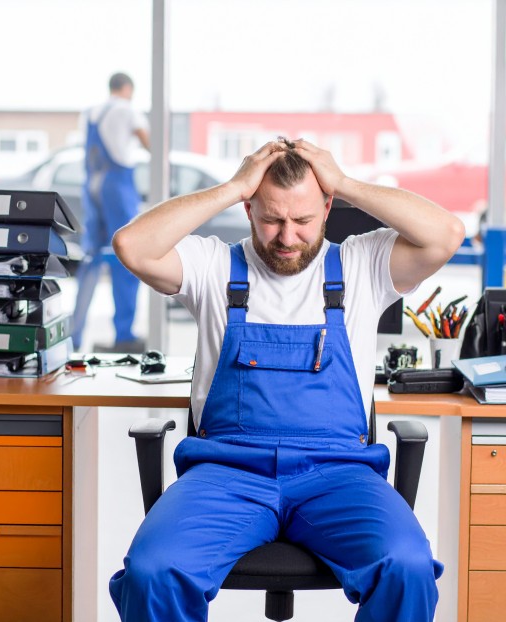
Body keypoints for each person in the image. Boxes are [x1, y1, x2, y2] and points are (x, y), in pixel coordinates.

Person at [109, 138, 465, 621]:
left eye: (303, 221)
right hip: (227, 473)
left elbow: (446, 233)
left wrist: (345, 182)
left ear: (327, 209)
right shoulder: (213, 266)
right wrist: (233, 186)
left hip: (337, 473)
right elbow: (131, 245)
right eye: (272, 219)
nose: (287, 237)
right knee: (154, 571)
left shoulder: (362, 266)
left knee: (406, 565)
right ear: (249, 208)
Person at [72, 71, 151, 353]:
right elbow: (150, 143)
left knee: (91, 259)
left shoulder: (91, 112)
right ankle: (124, 335)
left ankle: (74, 337)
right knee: (125, 254)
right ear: (128, 88)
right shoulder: (128, 110)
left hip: (92, 184)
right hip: (117, 186)